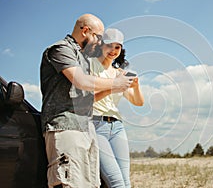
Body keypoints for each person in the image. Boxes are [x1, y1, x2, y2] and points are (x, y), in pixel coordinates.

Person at [40, 14, 134, 188]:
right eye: (98, 37)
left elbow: (88, 96)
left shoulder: (83, 59)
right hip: (65, 127)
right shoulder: (60, 49)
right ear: (85, 31)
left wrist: (116, 85)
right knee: (70, 183)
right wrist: (114, 83)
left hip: (86, 128)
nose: (99, 43)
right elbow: (81, 81)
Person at [90, 28, 144, 188]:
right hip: (96, 125)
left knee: (126, 182)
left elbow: (138, 102)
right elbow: (87, 99)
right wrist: (113, 87)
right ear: (101, 46)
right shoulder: (90, 67)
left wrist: (136, 86)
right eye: (109, 45)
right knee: (116, 182)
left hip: (118, 127)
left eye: (117, 47)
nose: (113, 51)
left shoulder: (119, 73)